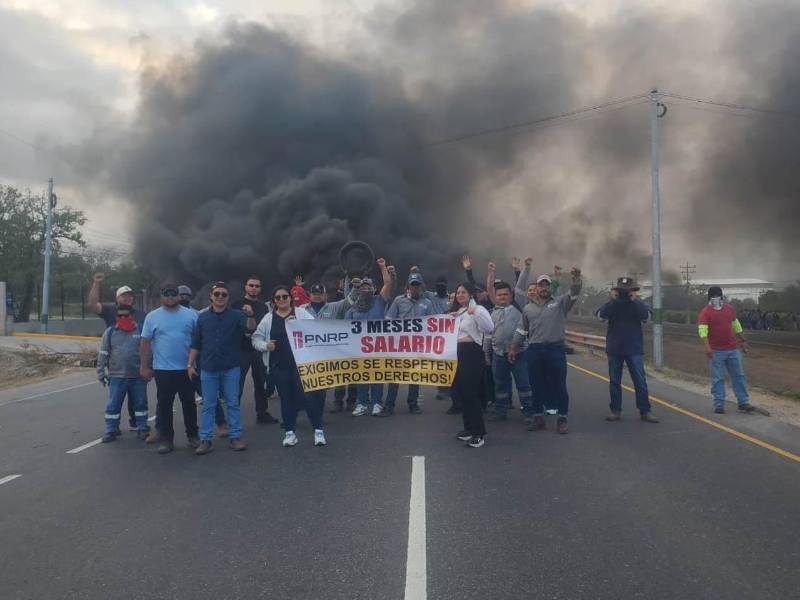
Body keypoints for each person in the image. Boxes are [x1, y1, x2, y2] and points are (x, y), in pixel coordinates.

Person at [509, 267, 582, 434]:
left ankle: (562, 418)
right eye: (540, 285)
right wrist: (514, 347)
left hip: (555, 349)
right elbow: (522, 330)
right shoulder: (528, 308)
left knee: (560, 385)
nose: (543, 288)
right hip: (534, 350)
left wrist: (576, 279)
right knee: (536, 385)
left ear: (550, 287)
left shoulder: (560, 303)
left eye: (546, 285)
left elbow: (574, 291)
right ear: (536, 288)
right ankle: (538, 417)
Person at [252, 285, 326, 447]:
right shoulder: (268, 319)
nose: (281, 300)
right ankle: (290, 432)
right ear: (273, 301)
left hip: (302, 364)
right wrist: (266, 346)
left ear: (290, 298)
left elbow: (317, 330)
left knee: (308, 397)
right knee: (286, 399)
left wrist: (300, 325)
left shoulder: (300, 314)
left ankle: (318, 430)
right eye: (277, 298)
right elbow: (255, 339)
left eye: (284, 296)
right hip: (279, 365)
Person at [189, 282, 251, 455]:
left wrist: (251, 316)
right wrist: (189, 364)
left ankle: (235, 437)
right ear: (211, 296)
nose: (220, 297)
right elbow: (196, 343)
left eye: (224, 294)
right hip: (208, 368)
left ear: (228, 298)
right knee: (209, 405)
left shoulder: (237, 316)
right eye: (217, 294)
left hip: (231, 367)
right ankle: (206, 440)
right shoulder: (202, 318)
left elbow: (249, 328)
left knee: (232, 403)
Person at [139, 282, 199, 454]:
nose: (170, 296)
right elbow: (144, 343)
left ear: (179, 295)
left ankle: (193, 436)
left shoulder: (191, 316)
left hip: (186, 368)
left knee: (189, 404)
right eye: (167, 293)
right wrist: (144, 366)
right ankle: (166, 439)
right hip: (163, 370)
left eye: (173, 293)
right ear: (161, 296)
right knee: (164, 405)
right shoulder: (152, 317)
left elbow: (198, 341)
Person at [87, 272, 147, 432]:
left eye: (130, 296)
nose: (127, 298)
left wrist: (148, 366)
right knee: (115, 401)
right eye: (123, 296)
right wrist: (96, 284)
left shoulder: (142, 316)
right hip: (117, 369)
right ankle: (112, 429)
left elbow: (148, 342)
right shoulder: (109, 311)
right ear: (117, 298)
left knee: (139, 401)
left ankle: (138, 425)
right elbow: (93, 304)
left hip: (136, 369)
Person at [597, 277, 659, 423]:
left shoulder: (638, 304)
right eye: (622, 291)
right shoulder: (612, 304)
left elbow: (647, 317)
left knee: (640, 381)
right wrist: (613, 300)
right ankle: (615, 410)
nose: (625, 293)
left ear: (633, 291)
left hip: (634, 348)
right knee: (614, 381)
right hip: (615, 348)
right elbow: (600, 316)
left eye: (628, 290)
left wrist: (635, 300)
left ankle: (645, 411)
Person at [485, 261, 534, 425]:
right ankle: (501, 411)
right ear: (495, 297)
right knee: (500, 385)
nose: (502, 297)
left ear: (511, 296)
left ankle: (528, 413)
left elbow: (521, 285)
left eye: (506, 295)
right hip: (499, 355)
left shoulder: (518, 306)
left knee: (523, 384)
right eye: (499, 295)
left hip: (519, 353)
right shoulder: (493, 312)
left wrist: (524, 269)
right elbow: (488, 335)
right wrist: (491, 272)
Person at [382, 271, 436, 415]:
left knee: (415, 376)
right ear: (408, 286)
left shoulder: (427, 303)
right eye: (413, 285)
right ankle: (389, 406)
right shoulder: (399, 301)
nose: (415, 288)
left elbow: (432, 323)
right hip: (400, 345)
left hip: (417, 345)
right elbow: (388, 319)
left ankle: (413, 404)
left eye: (417, 285)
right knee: (394, 376)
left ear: (422, 286)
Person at [345, 259, 393, 417]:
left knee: (377, 376)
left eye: (369, 287)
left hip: (378, 347)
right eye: (363, 287)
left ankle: (377, 403)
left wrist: (382, 267)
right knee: (362, 377)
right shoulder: (354, 308)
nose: (366, 289)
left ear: (374, 289)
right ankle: (362, 403)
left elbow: (388, 284)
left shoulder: (380, 301)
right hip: (360, 349)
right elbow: (345, 328)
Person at [302, 281, 358, 414]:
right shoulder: (301, 310)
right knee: (315, 381)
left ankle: (342, 402)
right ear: (310, 295)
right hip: (311, 353)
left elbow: (349, 301)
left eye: (320, 294)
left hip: (333, 351)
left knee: (341, 376)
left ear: (325, 295)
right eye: (314, 294)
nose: (317, 296)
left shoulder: (334, 307)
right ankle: (313, 407)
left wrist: (355, 287)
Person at [450, 283, 494, 447]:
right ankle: (468, 429)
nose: (460, 295)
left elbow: (489, 328)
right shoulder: (459, 312)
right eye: (458, 292)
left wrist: (475, 312)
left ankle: (478, 433)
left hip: (472, 353)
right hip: (458, 354)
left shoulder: (478, 310)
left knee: (470, 393)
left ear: (470, 295)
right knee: (461, 393)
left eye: (463, 292)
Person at [96, 305, 149, 443]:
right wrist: (101, 372)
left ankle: (142, 428)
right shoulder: (110, 332)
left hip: (137, 376)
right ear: (116, 317)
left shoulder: (141, 330)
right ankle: (111, 430)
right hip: (116, 377)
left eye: (126, 315)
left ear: (132, 316)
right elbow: (103, 353)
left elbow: (149, 351)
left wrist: (149, 370)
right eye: (120, 316)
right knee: (113, 405)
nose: (123, 318)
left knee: (140, 404)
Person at [698, 286, 754, 414]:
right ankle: (719, 404)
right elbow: (702, 331)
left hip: (733, 349)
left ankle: (743, 402)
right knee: (718, 378)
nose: (716, 299)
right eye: (714, 297)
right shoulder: (705, 312)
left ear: (722, 297)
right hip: (716, 351)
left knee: (739, 376)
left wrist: (743, 340)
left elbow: (736, 325)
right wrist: (707, 347)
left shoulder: (729, 309)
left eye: (718, 296)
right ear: (709, 298)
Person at [231, 275, 278, 424]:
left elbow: (266, 327)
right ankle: (233, 417)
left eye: (257, 286)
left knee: (260, 382)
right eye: (251, 285)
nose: (254, 288)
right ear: (245, 287)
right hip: (241, 350)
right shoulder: (236, 304)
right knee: (237, 384)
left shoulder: (263, 307)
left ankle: (262, 413)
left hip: (258, 349)